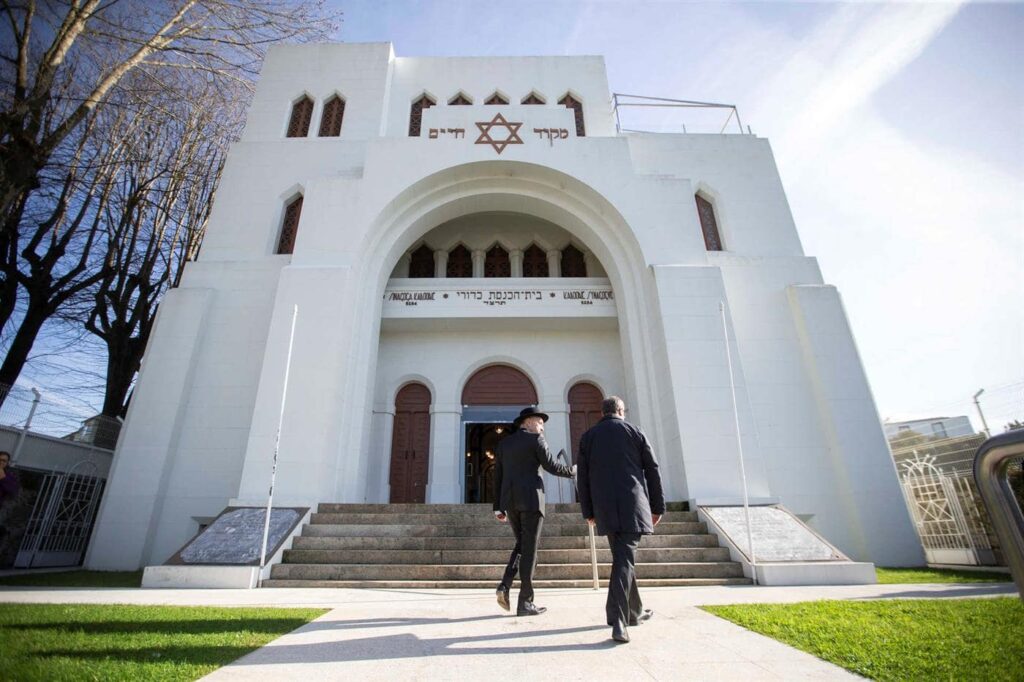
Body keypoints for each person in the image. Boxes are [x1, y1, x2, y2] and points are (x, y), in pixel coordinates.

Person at [577, 396, 665, 643]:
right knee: (624, 560)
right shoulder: (635, 431)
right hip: (632, 506)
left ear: (602, 412)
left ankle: (634, 612)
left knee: (622, 558)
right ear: (620, 411)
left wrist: (588, 511)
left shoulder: (588, 437)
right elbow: (653, 470)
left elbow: (581, 477)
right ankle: (618, 620)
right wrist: (658, 507)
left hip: (604, 507)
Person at [493, 406, 575, 616]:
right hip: (531, 501)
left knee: (522, 545)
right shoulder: (535, 440)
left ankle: (505, 585)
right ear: (527, 422)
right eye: (540, 422)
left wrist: (497, 507)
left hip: (510, 501)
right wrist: (571, 471)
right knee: (529, 550)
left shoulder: (504, 444)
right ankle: (525, 602)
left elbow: (498, 476)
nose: (542, 427)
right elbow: (551, 466)